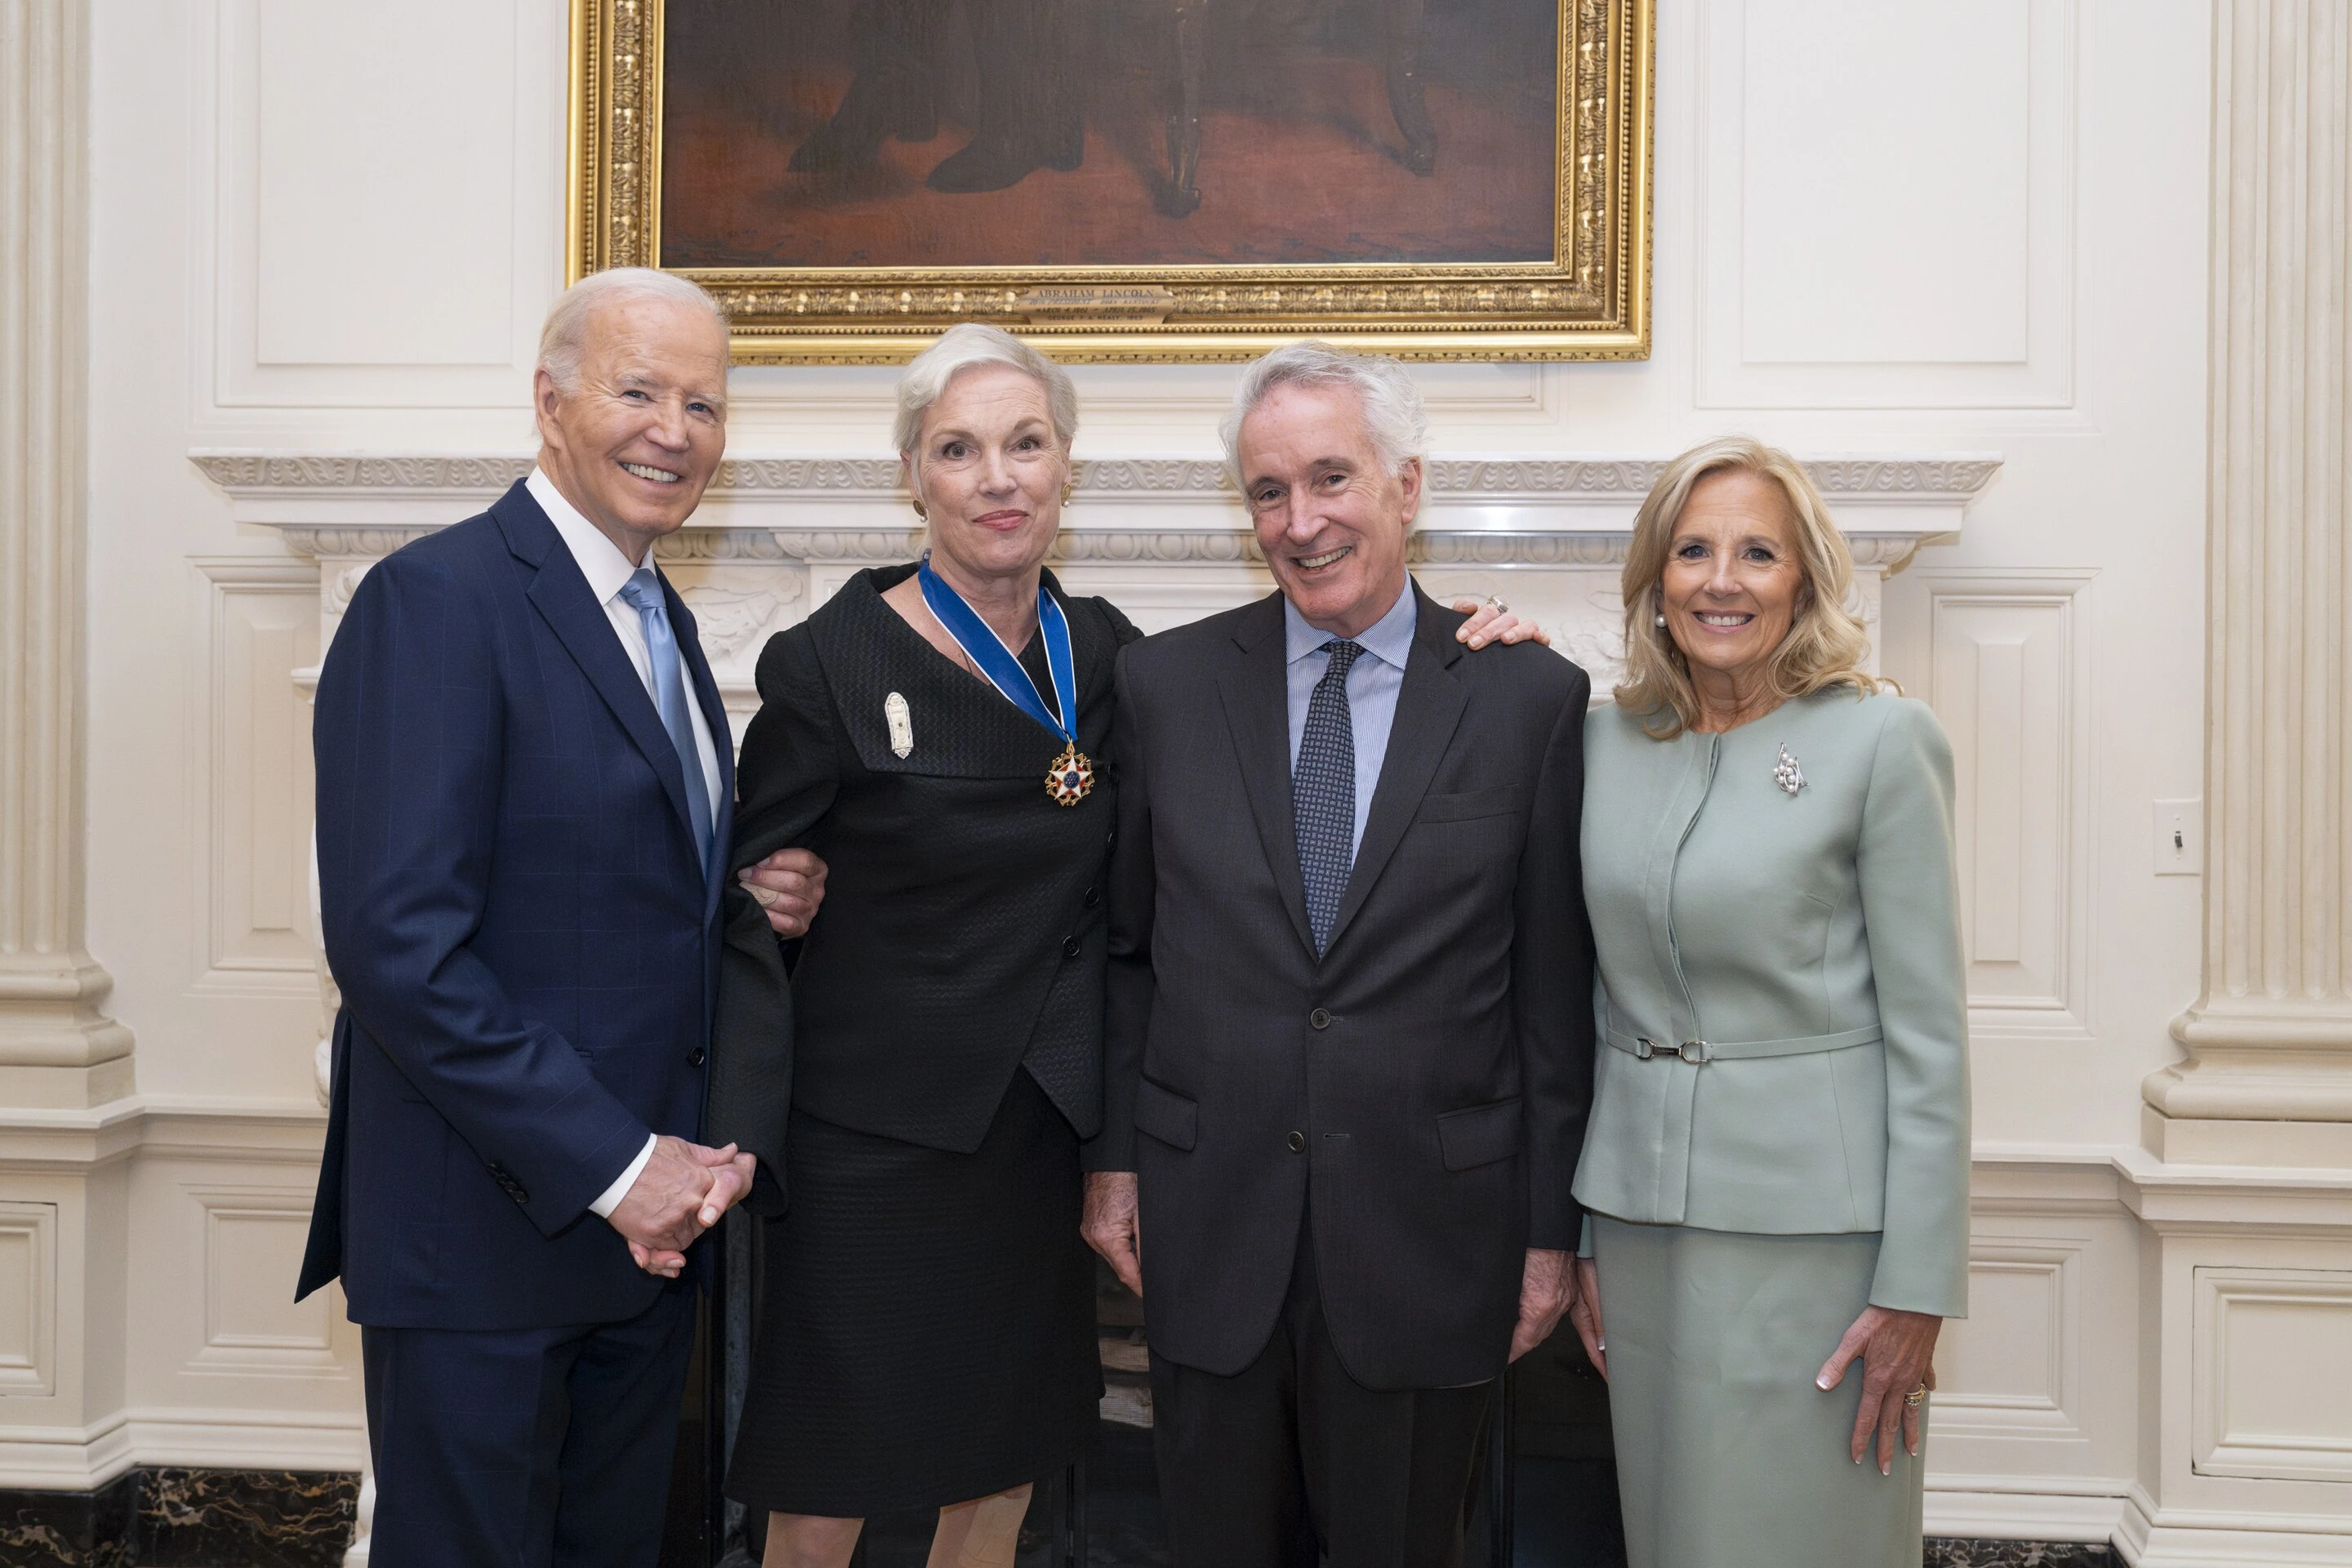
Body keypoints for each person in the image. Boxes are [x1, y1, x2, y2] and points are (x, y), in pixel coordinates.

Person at [711, 324, 1545, 1568]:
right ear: (913, 476)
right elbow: (742, 884)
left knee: (1001, 1462)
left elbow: (1132, 905)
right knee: (831, 1467)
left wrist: (1477, 644)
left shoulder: (1112, 658)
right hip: (872, 1143)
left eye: (1027, 445)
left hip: (1036, 1139)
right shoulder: (831, 658)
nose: (998, 477)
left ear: (1065, 470)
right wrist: (763, 892)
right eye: (959, 449)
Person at [296, 267, 822, 1568]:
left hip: (641, 1249)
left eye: (704, 404)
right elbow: (397, 949)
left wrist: (706, 1148)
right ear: (548, 402)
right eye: (638, 390)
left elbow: (634, 904)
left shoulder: (664, 620)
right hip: (487, 1243)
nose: (675, 430)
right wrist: (616, 1167)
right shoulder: (437, 602)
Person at [1081, 342, 1596, 1568]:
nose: (1301, 522)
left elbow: (1551, 999)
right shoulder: (1164, 685)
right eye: (1269, 491)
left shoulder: (1528, 697)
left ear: (1406, 486)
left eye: (1331, 478)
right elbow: (1124, 952)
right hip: (1212, 1225)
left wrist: (1548, 1236)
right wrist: (1111, 1167)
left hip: (1433, 1237)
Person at [1561, 436, 1970, 1568]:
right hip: (1643, 1232)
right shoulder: (1600, 745)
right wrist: (1589, 1232)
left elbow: (1931, 1040)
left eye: (1757, 552)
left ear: (1804, 579)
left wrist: (1918, 1287)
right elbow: (1596, 1000)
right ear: (1654, 581)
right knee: (1675, 1536)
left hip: (1820, 1248)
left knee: (1806, 1537)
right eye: (1692, 551)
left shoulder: (1883, 742)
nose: (1721, 580)